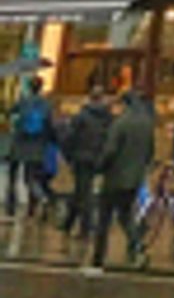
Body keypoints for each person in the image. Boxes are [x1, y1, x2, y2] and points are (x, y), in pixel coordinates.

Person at [88, 87, 155, 273]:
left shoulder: (121, 124)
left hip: (115, 177)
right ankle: (137, 246)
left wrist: (99, 166)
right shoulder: (147, 124)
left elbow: (110, 150)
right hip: (135, 179)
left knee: (104, 219)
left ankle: (97, 259)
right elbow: (150, 152)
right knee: (126, 216)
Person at [61, 82, 111, 242]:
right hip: (97, 159)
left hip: (81, 157)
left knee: (84, 192)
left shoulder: (81, 116)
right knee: (81, 190)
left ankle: (84, 228)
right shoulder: (108, 118)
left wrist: (68, 156)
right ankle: (68, 223)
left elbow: (69, 137)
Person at [9, 75, 54, 218]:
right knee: (31, 178)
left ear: (29, 87)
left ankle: (11, 206)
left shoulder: (23, 101)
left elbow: (11, 113)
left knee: (13, 176)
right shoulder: (46, 105)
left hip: (19, 144)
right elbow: (50, 127)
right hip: (37, 147)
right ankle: (36, 203)